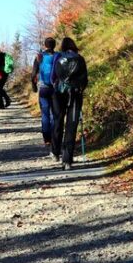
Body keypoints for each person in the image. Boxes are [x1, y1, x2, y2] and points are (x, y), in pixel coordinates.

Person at [50, 37, 88, 169]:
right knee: (71, 125)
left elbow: (53, 77)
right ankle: (67, 160)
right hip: (75, 94)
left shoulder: (59, 58)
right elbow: (85, 80)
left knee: (58, 121)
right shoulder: (80, 58)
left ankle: (55, 152)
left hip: (59, 93)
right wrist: (79, 88)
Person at [31, 37, 58, 147]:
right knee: (54, 114)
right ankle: (54, 137)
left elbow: (33, 74)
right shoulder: (58, 56)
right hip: (56, 89)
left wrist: (34, 87)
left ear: (45, 45)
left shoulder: (40, 56)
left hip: (43, 89)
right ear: (54, 45)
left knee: (45, 114)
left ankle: (47, 139)